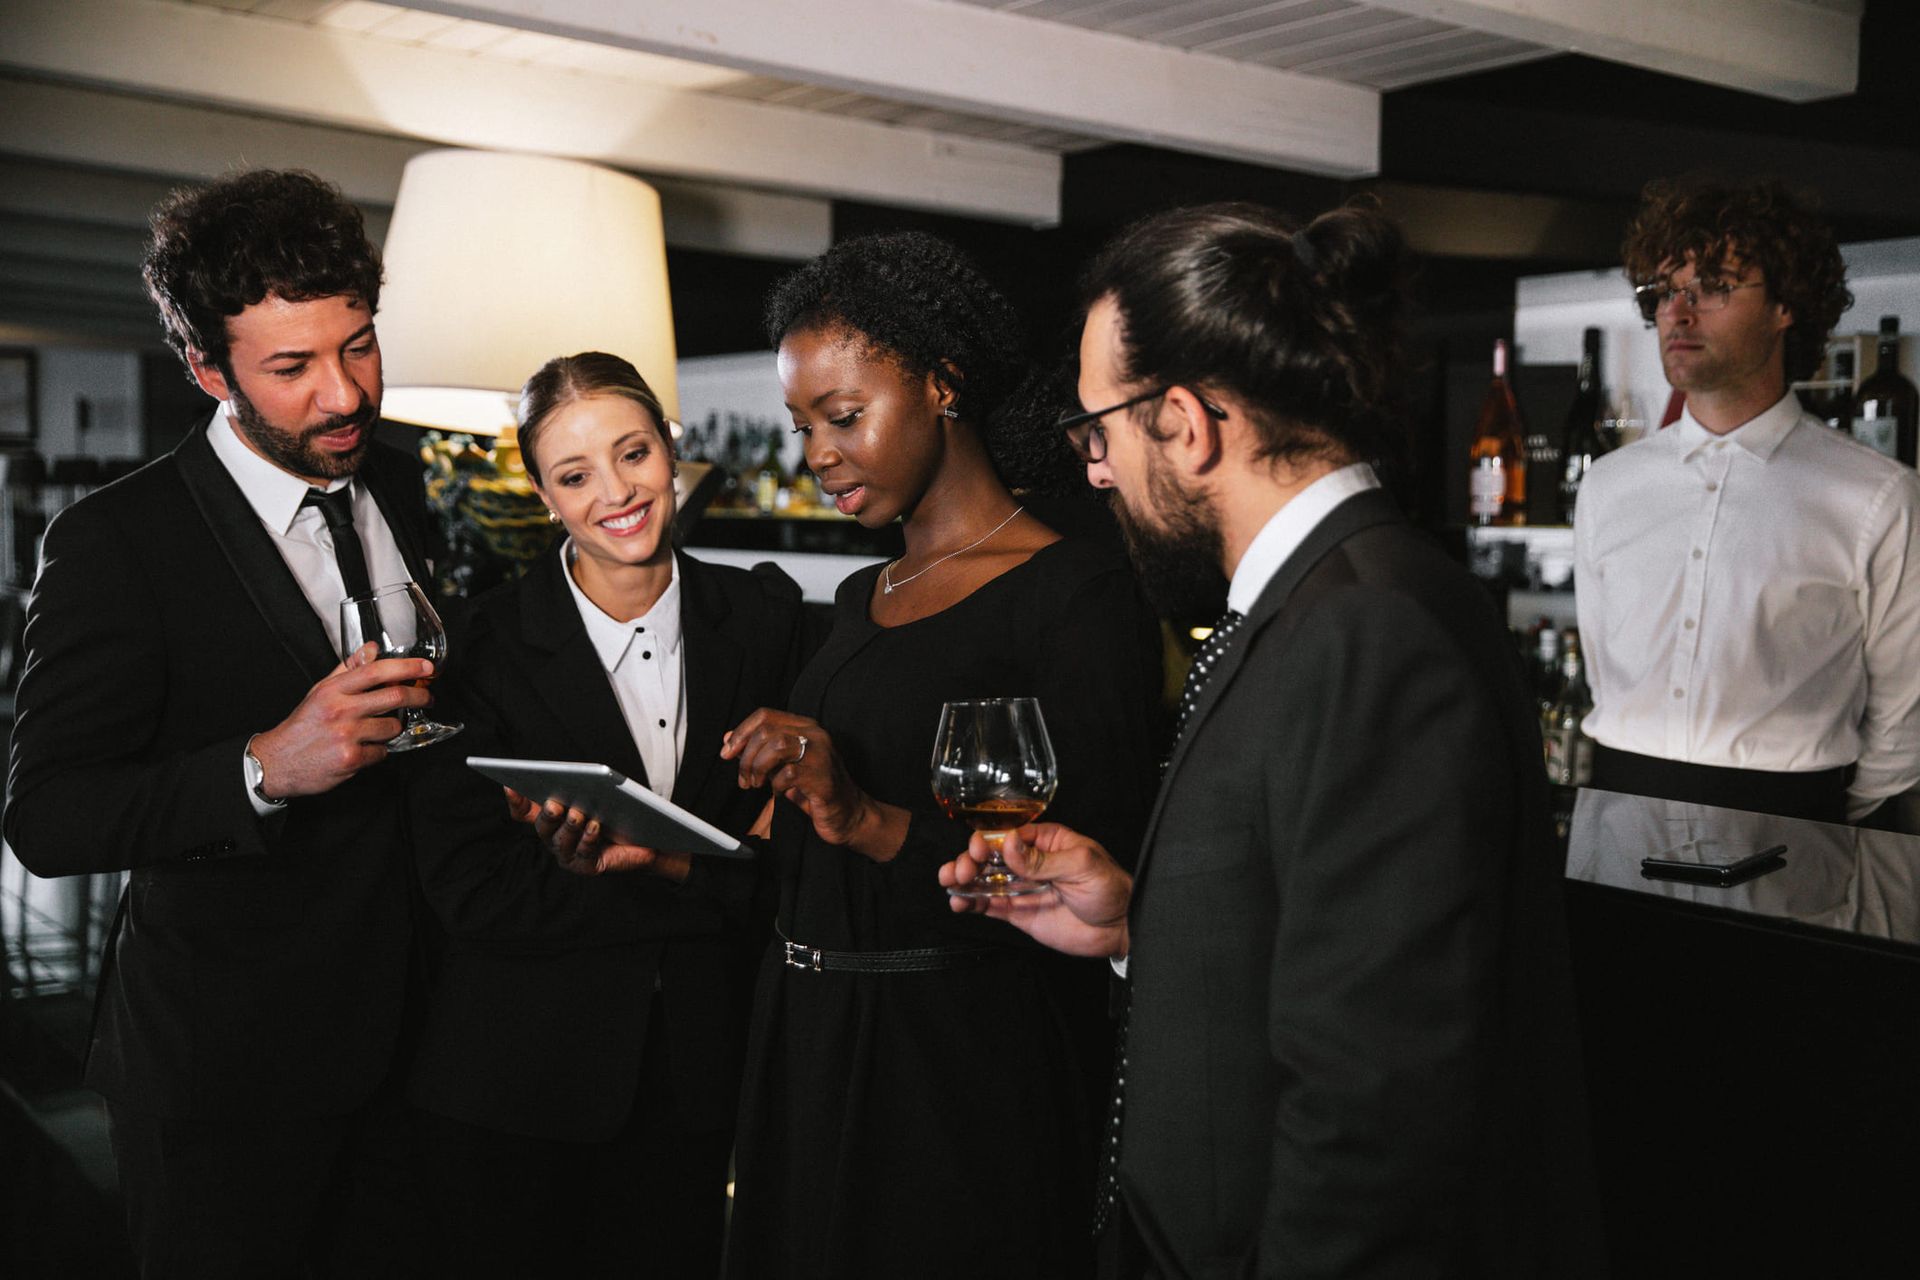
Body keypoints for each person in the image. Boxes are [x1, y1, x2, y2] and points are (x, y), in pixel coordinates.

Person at [941, 202, 1603, 1277]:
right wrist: (1136, 930)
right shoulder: (1312, 603)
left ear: (1191, 426)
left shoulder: (1368, 628)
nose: (1096, 471)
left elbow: (1376, 1118)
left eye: (1098, 431)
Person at [4, 169, 434, 1276]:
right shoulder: (116, 540)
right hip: (223, 1076)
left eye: (359, 345)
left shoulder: (409, 479)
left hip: (422, 1049)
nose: (343, 395)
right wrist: (261, 766)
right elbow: (49, 818)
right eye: (291, 368)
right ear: (207, 369)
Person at [711, 231, 1164, 1279]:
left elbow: (1092, 871)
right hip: (810, 1037)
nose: (817, 452)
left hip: (959, 1064)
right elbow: (812, 852)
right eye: (801, 425)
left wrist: (861, 812)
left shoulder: (1076, 595)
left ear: (942, 382)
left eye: (844, 415)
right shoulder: (858, 597)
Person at [404, 352, 811, 1278]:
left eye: (634, 454)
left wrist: (653, 869)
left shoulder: (764, 616)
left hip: (703, 1076)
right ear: (546, 494)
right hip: (514, 1079)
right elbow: (471, 892)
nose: (617, 493)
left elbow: (798, 872)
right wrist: (706, 875)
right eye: (576, 475)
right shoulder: (479, 647)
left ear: (672, 450)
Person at [1574, 176, 1920, 825]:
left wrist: (1810, 824)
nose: (1678, 313)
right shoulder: (1609, 486)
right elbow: (1604, 678)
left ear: (1786, 304)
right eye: (1666, 292)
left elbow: (1904, 724)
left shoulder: (1878, 497)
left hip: (1791, 827)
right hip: (1614, 816)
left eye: (1713, 288)